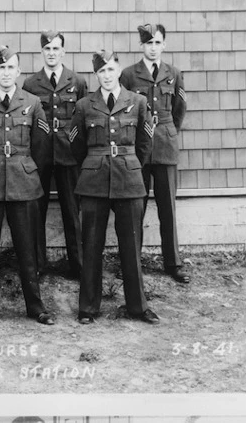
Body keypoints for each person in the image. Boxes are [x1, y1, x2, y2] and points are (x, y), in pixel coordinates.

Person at [69, 50, 159, 325]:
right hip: (94, 181)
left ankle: (137, 306)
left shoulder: (138, 102)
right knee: (92, 245)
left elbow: (145, 144)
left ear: (118, 70)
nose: (106, 76)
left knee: (131, 245)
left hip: (129, 180)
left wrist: (130, 165)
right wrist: (96, 163)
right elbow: (76, 144)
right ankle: (88, 307)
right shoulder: (85, 105)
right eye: (101, 71)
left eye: (110, 69)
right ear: (96, 75)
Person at [0, 45, 55, 326]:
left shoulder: (32, 102)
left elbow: (41, 147)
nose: (6, 73)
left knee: (27, 248)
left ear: (19, 71)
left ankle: (35, 306)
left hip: (23, 181)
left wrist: (26, 169)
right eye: (1, 68)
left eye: (11, 68)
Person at [120, 23, 189, 284]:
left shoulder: (174, 73)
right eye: (148, 43)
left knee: (167, 207)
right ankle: (132, 260)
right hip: (139, 149)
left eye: (157, 42)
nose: (153, 48)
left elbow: (179, 109)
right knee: (135, 205)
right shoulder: (128, 74)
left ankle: (173, 262)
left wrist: (169, 132)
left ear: (164, 44)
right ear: (141, 46)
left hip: (166, 146)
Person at [22, 30, 87, 279]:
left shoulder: (77, 82)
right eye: (47, 49)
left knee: (72, 210)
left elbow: (83, 118)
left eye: (56, 48)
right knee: (35, 209)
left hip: (68, 153)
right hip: (40, 153)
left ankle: (78, 264)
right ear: (41, 52)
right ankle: (38, 264)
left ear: (63, 51)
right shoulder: (31, 84)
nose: (51, 53)